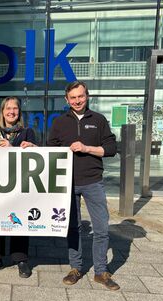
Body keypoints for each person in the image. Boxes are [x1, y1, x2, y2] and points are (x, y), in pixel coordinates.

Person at [47, 81, 119, 290]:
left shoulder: (98, 119)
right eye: (73, 98)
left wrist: (86, 148)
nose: (77, 101)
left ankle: (100, 272)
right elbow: (50, 150)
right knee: (73, 227)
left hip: (93, 181)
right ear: (66, 100)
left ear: (87, 96)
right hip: (67, 183)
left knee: (101, 228)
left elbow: (111, 148)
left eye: (81, 96)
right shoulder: (59, 122)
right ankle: (75, 268)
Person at [0, 96, 36, 278]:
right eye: (8, 108)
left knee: (19, 220)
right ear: (2, 111)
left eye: (15, 108)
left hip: (19, 185)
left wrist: (21, 146)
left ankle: (21, 259)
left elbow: (37, 156)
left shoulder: (27, 132)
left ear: (19, 112)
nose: (12, 112)